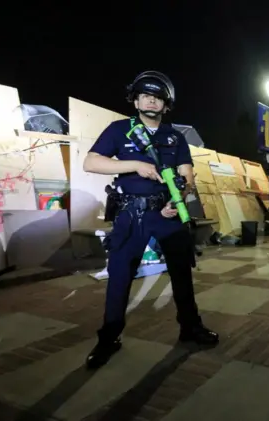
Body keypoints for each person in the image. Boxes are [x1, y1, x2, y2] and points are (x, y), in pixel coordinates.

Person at [83, 71, 219, 369]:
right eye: (145, 95)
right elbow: (90, 162)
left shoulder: (175, 136)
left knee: (182, 273)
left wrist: (179, 197)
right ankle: (109, 338)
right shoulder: (120, 130)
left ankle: (190, 328)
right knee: (120, 277)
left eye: (157, 96)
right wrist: (135, 164)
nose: (151, 100)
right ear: (135, 99)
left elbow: (188, 174)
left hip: (168, 213)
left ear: (166, 104)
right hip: (131, 213)